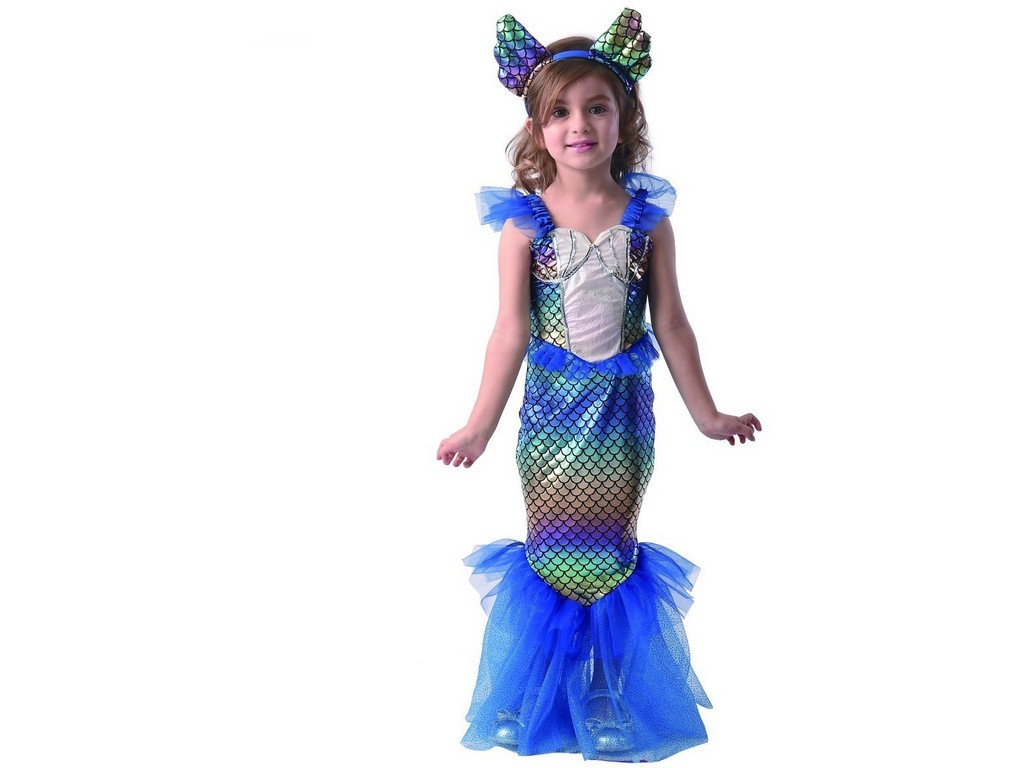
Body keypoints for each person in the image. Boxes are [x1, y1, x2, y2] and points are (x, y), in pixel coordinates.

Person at [436, 8, 761, 763]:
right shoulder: (525, 226)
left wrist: (708, 414)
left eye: (596, 108)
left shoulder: (648, 223)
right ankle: (537, 698)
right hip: (552, 423)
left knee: (611, 554)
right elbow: (508, 331)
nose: (579, 124)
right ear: (537, 129)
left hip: (621, 421)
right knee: (554, 551)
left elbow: (671, 323)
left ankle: (607, 694)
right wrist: (478, 424)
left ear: (624, 118)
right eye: (560, 112)